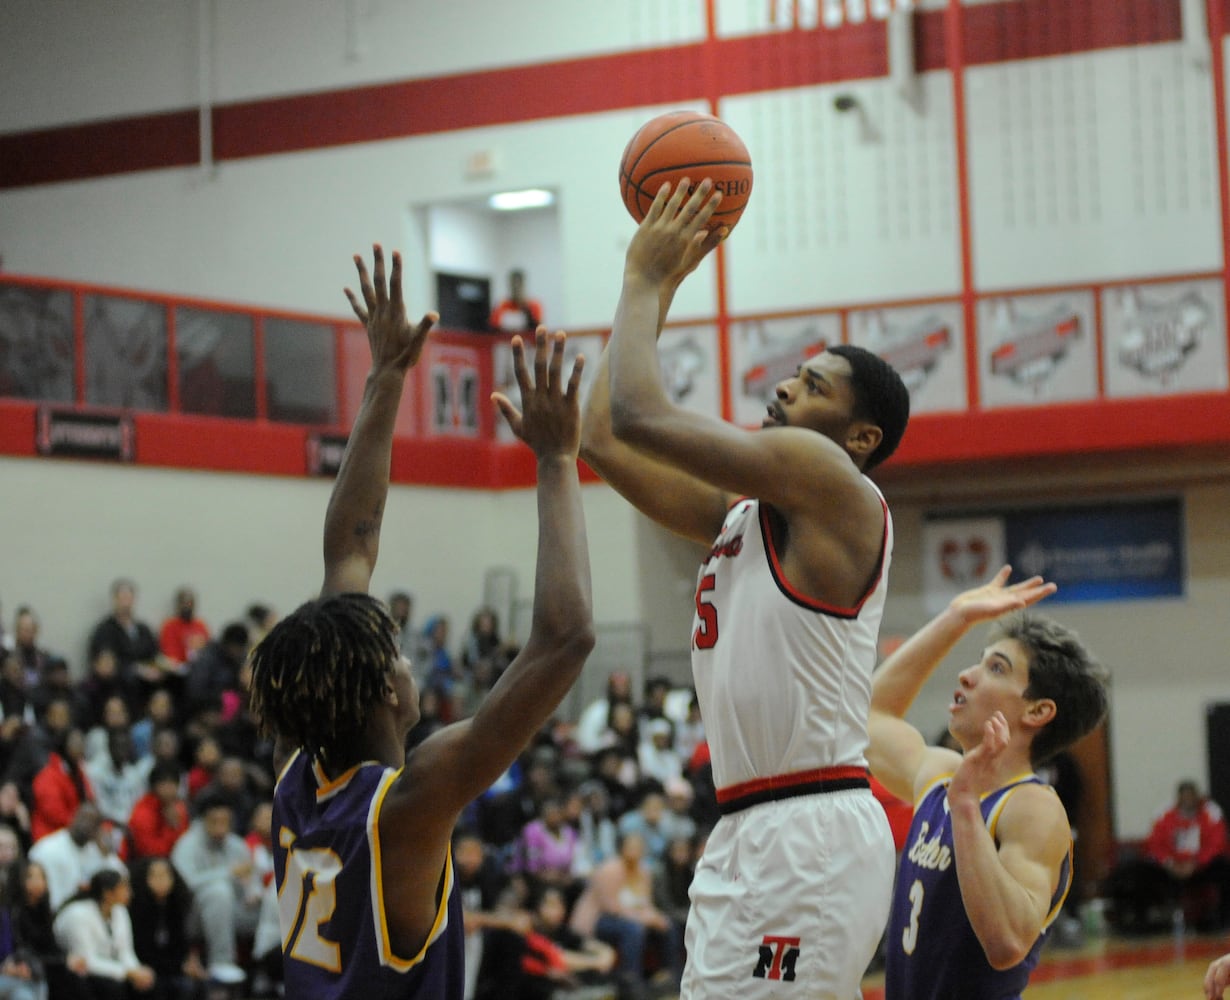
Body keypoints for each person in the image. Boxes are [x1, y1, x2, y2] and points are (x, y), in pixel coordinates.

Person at [580, 179, 910, 996]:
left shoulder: (829, 478)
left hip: (812, 825)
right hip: (746, 828)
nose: (787, 388)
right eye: (795, 375)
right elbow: (600, 435)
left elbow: (639, 414)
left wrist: (645, 279)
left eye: (815, 387)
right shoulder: (747, 515)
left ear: (858, 437)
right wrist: (660, 287)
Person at [246, 245, 594, 1000]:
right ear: (383, 694)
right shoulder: (406, 804)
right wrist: (558, 460)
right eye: (397, 656)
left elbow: (351, 547)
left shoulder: (295, 777)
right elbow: (564, 641)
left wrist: (387, 376)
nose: (411, 667)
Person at [866, 566, 1110, 1000]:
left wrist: (965, 809)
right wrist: (955, 618)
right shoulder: (939, 774)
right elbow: (869, 717)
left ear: (1037, 712)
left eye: (995, 668)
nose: (967, 675)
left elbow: (1008, 943)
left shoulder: (1031, 807)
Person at [52, 869, 155, 999]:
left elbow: (125, 951)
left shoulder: (120, 911)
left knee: (146, 985)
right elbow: (86, 959)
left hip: (108, 968)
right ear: (107, 893)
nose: (130, 892)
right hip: (77, 973)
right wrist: (127, 972)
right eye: (123, 888)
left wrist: (137, 971)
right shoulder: (77, 915)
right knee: (112, 987)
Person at [488, 268, 543, 334]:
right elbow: (492, 329)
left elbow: (538, 329)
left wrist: (525, 308)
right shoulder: (501, 305)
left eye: (518, 284)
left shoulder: (534, 305)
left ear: (523, 284)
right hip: (505, 342)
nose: (516, 288)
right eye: (513, 285)